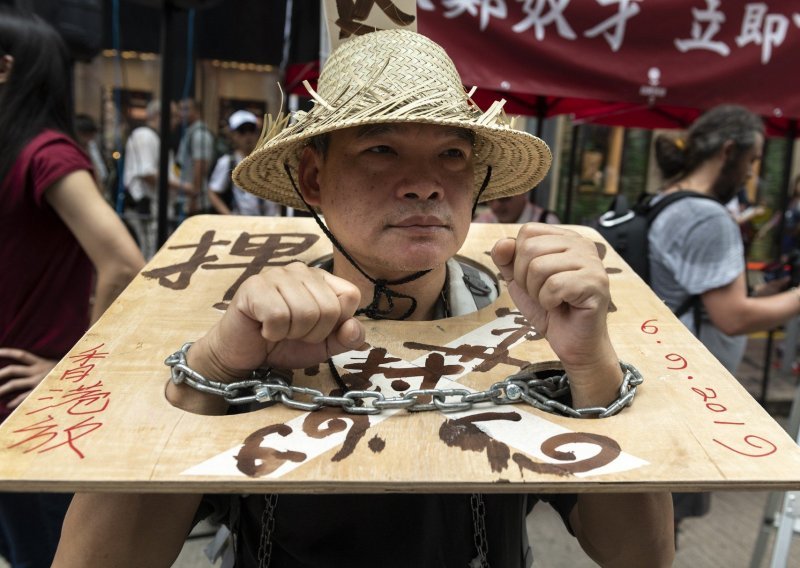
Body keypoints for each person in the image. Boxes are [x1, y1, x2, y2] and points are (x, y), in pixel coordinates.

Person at [54, 30, 674, 568]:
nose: (426, 185)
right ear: (314, 179)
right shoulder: (247, 330)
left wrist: (592, 368)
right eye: (381, 149)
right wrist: (213, 370)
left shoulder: (535, 328)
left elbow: (638, 557)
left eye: (452, 155)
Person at [0, 8, 145, 568]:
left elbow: (123, 262)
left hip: (32, 413)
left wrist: (71, 371)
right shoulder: (20, 152)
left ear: (5, 68)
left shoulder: (45, 154)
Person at [650, 104, 800, 536]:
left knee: (656, 518)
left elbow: (692, 292)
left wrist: (768, 293)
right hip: (692, 392)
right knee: (664, 528)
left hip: (663, 376)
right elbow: (732, 317)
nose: (752, 173)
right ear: (729, 151)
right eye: (752, 160)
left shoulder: (666, 198)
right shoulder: (708, 215)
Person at [122, 99, 187, 258]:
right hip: (149, 209)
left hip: (158, 210)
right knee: (150, 258)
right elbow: (147, 174)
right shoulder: (145, 135)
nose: (177, 122)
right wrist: (184, 187)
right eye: (173, 116)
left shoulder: (155, 137)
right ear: (159, 115)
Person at [208, 109, 281, 216]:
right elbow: (213, 192)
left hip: (272, 221)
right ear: (233, 135)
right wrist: (229, 216)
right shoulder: (228, 162)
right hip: (243, 222)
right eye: (242, 131)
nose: (248, 135)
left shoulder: (269, 159)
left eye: (251, 130)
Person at [175, 97, 215, 216]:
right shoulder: (190, 132)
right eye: (180, 109)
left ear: (197, 111)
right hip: (185, 198)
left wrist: (194, 197)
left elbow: (200, 166)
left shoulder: (200, 134)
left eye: (186, 109)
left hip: (195, 202)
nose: (182, 113)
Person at [474, 190, 560, 224]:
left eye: (504, 197)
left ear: (524, 192)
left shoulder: (548, 222)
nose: (496, 205)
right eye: (490, 198)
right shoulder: (480, 222)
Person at [74, 113, 109, 189]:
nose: (90, 139)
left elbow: (101, 174)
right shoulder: (71, 150)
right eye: (86, 135)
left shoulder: (91, 146)